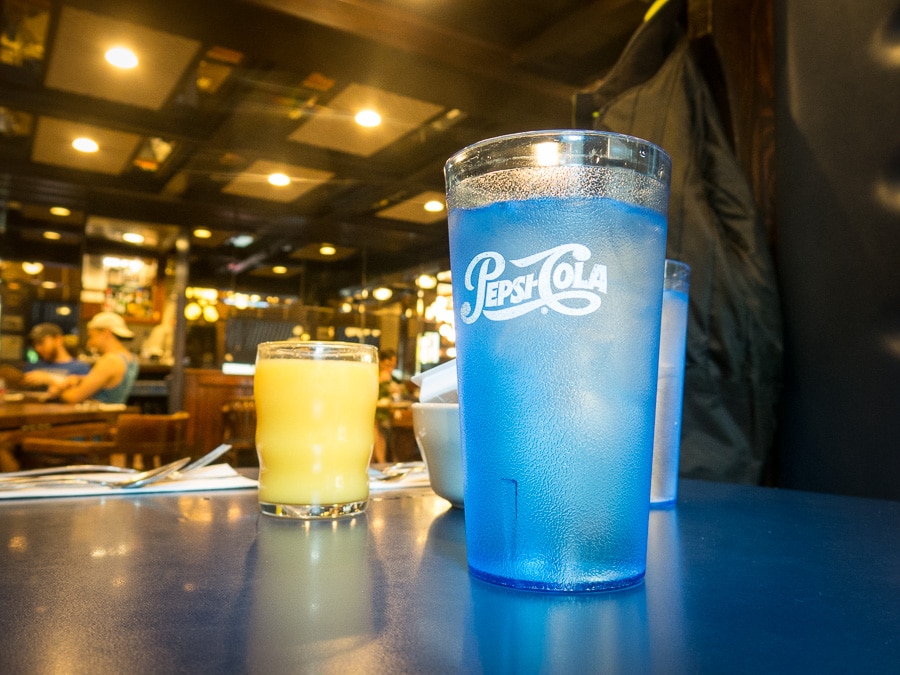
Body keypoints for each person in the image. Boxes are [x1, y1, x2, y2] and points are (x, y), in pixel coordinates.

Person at [47, 312, 140, 404]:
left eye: (92, 336)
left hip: (99, 416)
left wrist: (58, 392)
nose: (89, 343)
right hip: (113, 415)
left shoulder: (110, 360)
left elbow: (74, 397)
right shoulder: (131, 358)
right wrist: (81, 379)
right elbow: (110, 383)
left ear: (107, 333)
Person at [21, 323, 91, 388]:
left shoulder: (80, 367)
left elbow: (81, 394)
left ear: (58, 339)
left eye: (41, 342)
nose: (37, 348)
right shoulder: (32, 366)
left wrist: (49, 380)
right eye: (34, 344)